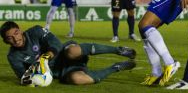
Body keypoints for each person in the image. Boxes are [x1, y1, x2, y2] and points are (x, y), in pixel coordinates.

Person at [0, 21, 136, 86]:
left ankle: (118, 50)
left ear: (20, 30)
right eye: (9, 37)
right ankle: (116, 67)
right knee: (78, 79)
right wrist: (38, 76)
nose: (15, 38)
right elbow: (23, 77)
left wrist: (46, 57)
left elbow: (57, 44)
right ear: (6, 41)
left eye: (16, 33)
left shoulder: (35, 31)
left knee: (72, 50)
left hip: (65, 53)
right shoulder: (13, 56)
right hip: (61, 71)